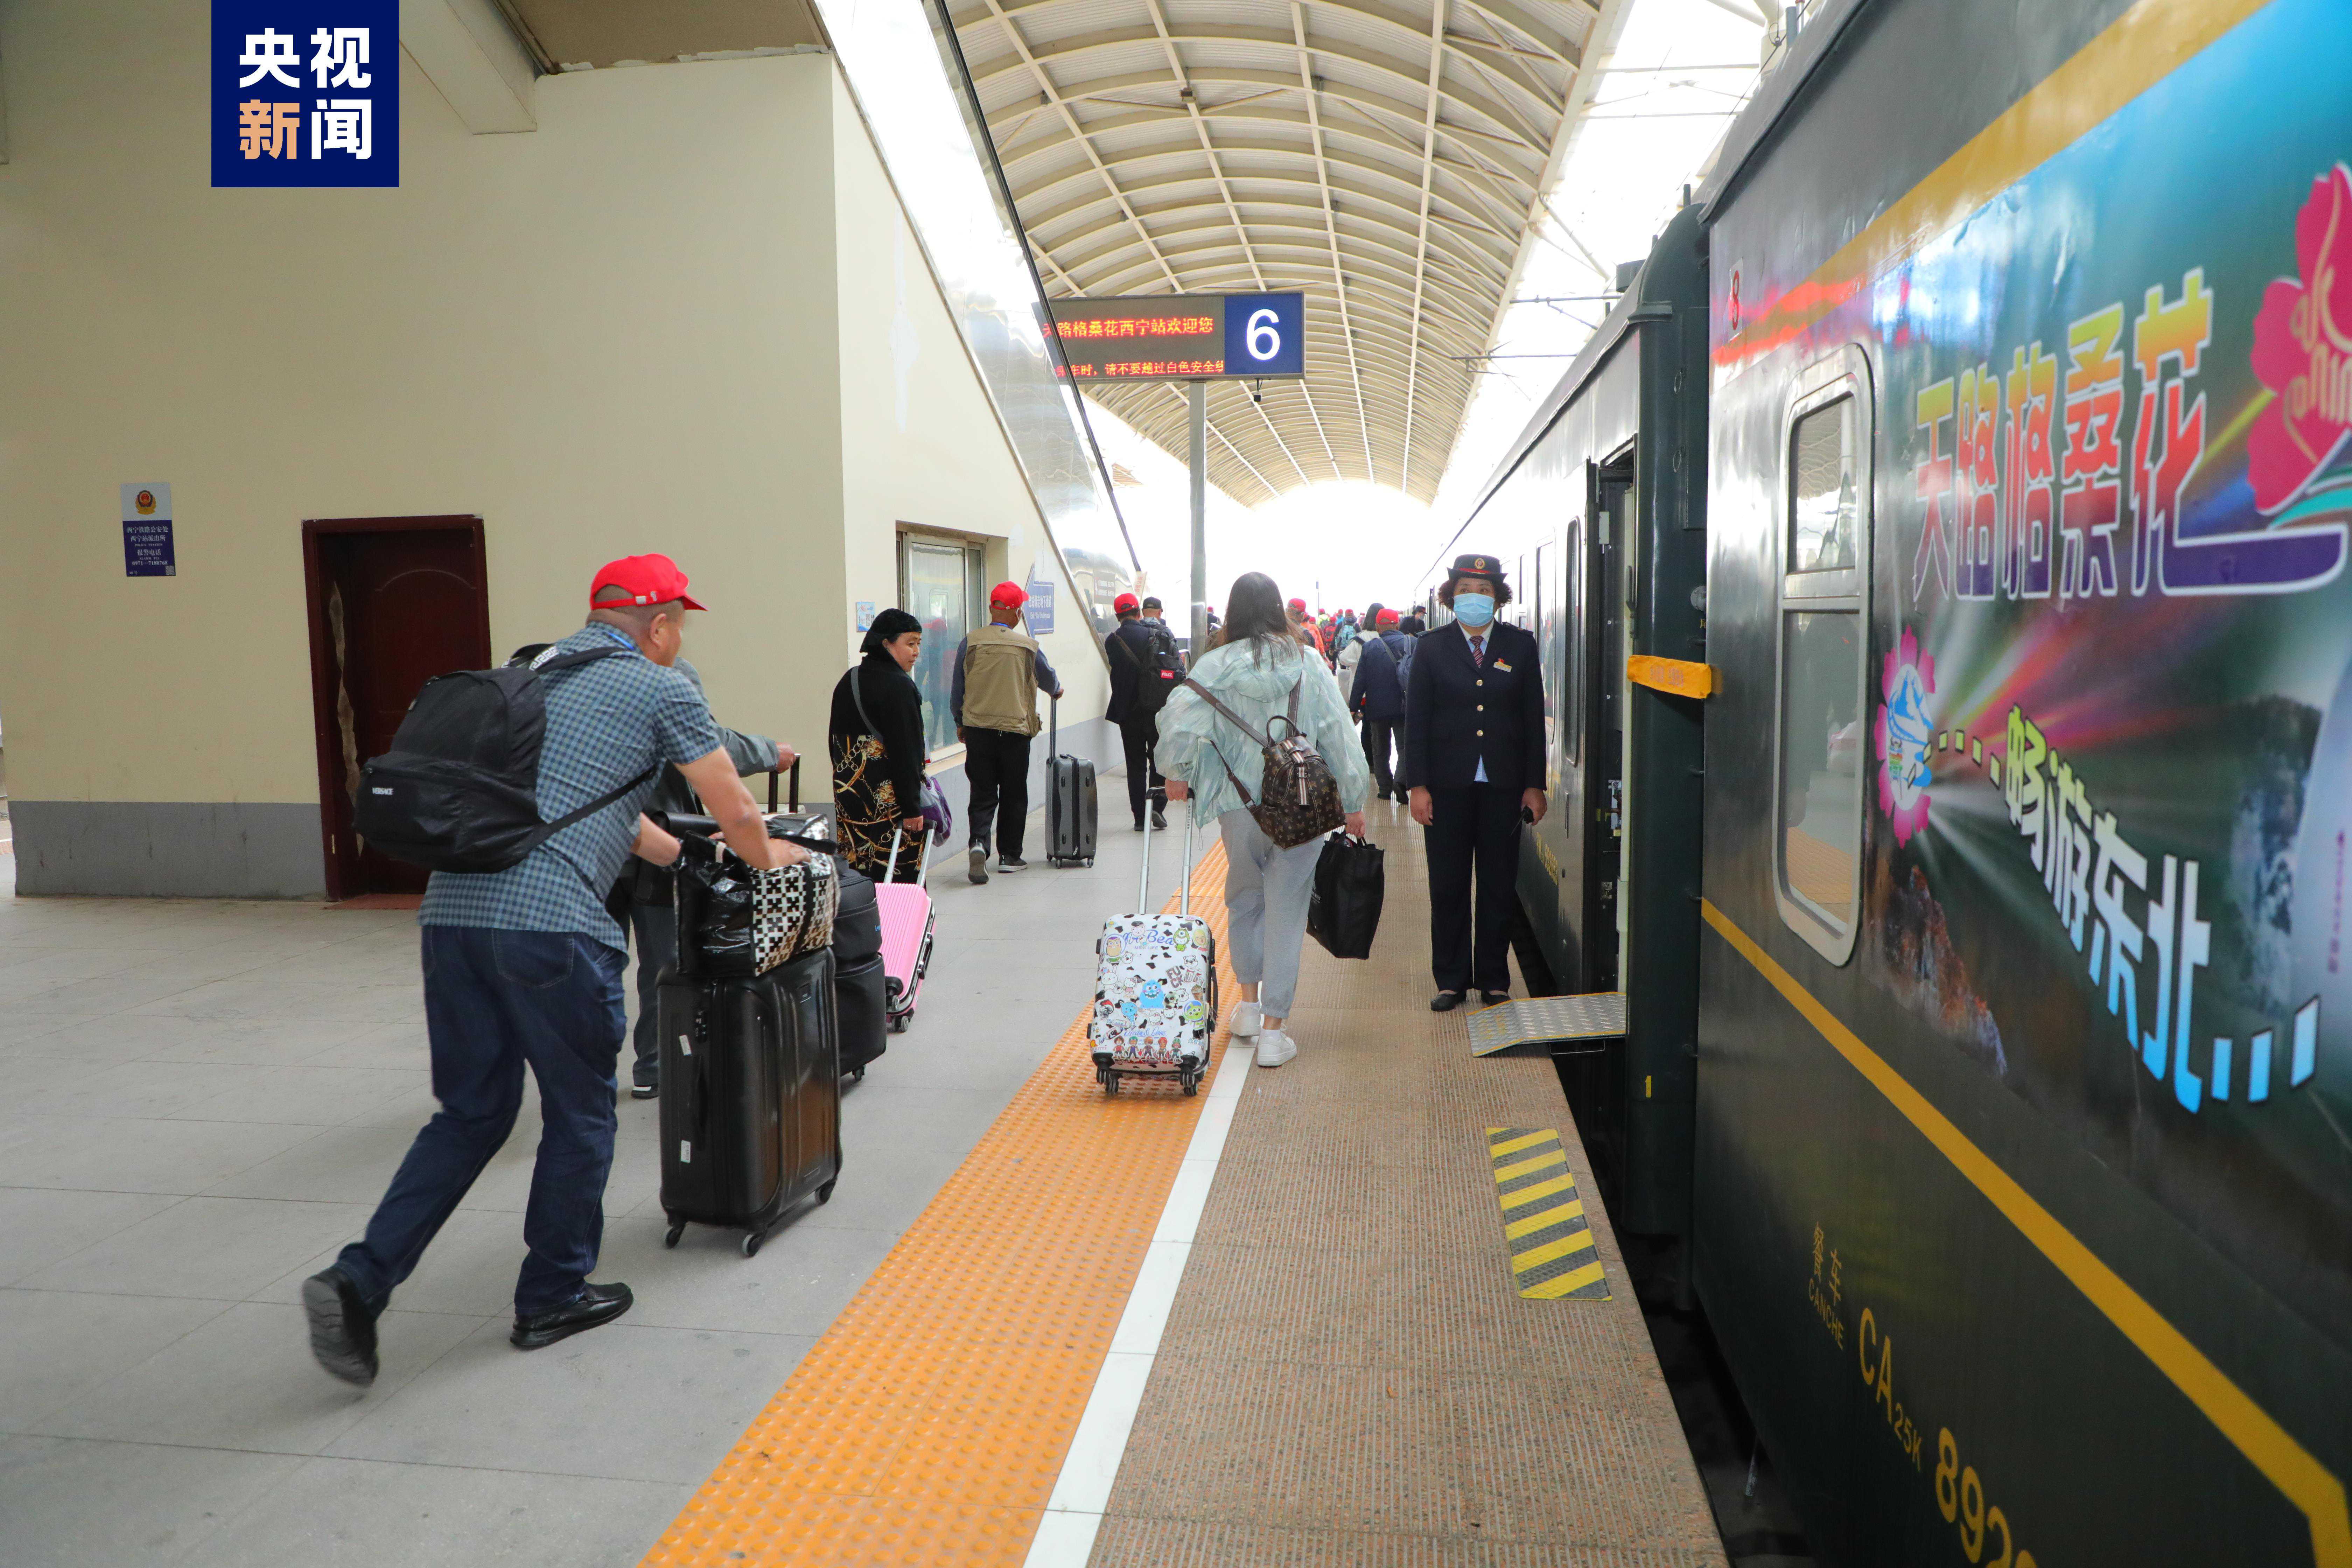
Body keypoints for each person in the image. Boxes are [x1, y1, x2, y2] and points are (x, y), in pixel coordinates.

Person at [305, 554, 805, 1384]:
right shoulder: (659, 687)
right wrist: (767, 858)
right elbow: (738, 805)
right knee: (580, 1114)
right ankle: (552, 1293)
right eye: (680, 623)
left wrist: (687, 858)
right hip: (551, 931)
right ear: (657, 625)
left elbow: (600, 811)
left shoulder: (533, 670)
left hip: (453, 919)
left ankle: (359, 1279)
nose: (680, 638)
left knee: (470, 1115)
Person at [1156, 572, 1370, 1069]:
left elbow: (1177, 720)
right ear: (1278, 610)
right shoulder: (1309, 662)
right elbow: (1339, 733)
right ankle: (1274, 1033)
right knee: (1287, 913)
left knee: (1245, 899)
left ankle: (1249, 1009)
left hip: (1239, 805)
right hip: (1303, 805)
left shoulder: (1214, 664)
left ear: (1233, 612)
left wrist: (1175, 772)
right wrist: (1354, 798)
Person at [1398, 553, 1547, 1012]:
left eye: (1484, 591)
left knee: (1499, 885)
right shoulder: (1432, 647)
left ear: (1498, 598)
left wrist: (1534, 784)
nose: (1475, 598)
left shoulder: (1519, 646)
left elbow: (1532, 720)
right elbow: (1416, 721)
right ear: (1452, 597)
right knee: (1448, 886)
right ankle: (1451, 980)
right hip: (1446, 787)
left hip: (1504, 786)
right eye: (1466, 590)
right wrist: (1418, 785)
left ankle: (1494, 980)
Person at [952, 581, 1062, 882]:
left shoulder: (970, 642)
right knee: (1014, 792)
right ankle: (1010, 856)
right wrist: (1056, 689)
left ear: (992, 608)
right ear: (1017, 612)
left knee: (982, 792)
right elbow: (1048, 679)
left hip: (978, 730)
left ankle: (978, 844)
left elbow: (958, 689)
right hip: (1015, 731)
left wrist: (960, 722)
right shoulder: (1026, 646)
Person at [831, 608, 930, 882]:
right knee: (897, 875)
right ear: (886, 644)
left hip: (851, 799)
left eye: (919, 644)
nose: (916, 652)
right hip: (891, 806)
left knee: (857, 876)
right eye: (910, 643)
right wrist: (912, 808)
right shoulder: (900, 686)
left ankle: (863, 911)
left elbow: (835, 744)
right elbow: (906, 752)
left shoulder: (849, 680)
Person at [1104, 591, 1183, 832]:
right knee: (1158, 760)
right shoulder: (1154, 635)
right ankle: (1156, 807)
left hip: (1128, 713)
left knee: (1135, 765)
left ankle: (1140, 818)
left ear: (1118, 616)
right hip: (1155, 709)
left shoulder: (1112, 641)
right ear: (1138, 612)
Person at [1350, 607, 1410, 801]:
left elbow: (1360, 681)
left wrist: (1354, 707)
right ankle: (1401, 782)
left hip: (1377, 708)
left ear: (1377, 627)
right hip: (1404, 706)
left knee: (1380, 750)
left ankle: (1384, 789)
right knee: (1405, 747)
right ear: (1397, 625)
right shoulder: (1412, 643)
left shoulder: (1370, 648)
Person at [1335, 600, 1383, 704]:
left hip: (1362, 694)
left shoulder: (1360, 639)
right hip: (1385, 694)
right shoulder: (1390, 638)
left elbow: (1344, 660)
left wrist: (1340, 653)